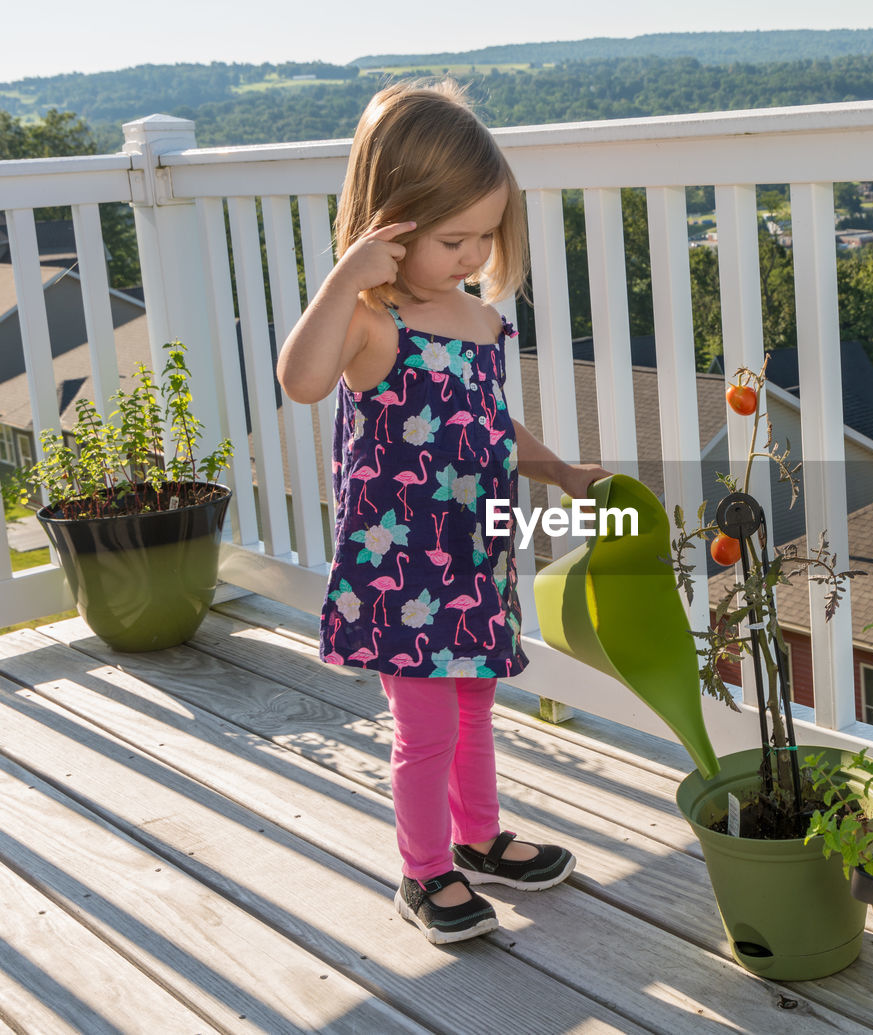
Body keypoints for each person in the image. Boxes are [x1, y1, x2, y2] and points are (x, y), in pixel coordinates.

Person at [277, 80, 609, 945]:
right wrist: (347, 276)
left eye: (485, 235)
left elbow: (494, 426)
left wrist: (564, 473)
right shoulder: (368, 321)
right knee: (422, 727)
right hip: (402, 567)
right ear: (393, 222)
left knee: (473, 704)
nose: (472, 253)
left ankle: (479, 836)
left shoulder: (484, 323)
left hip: (474, 554)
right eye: (451, 237)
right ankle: (424, 872)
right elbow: (300, 381)